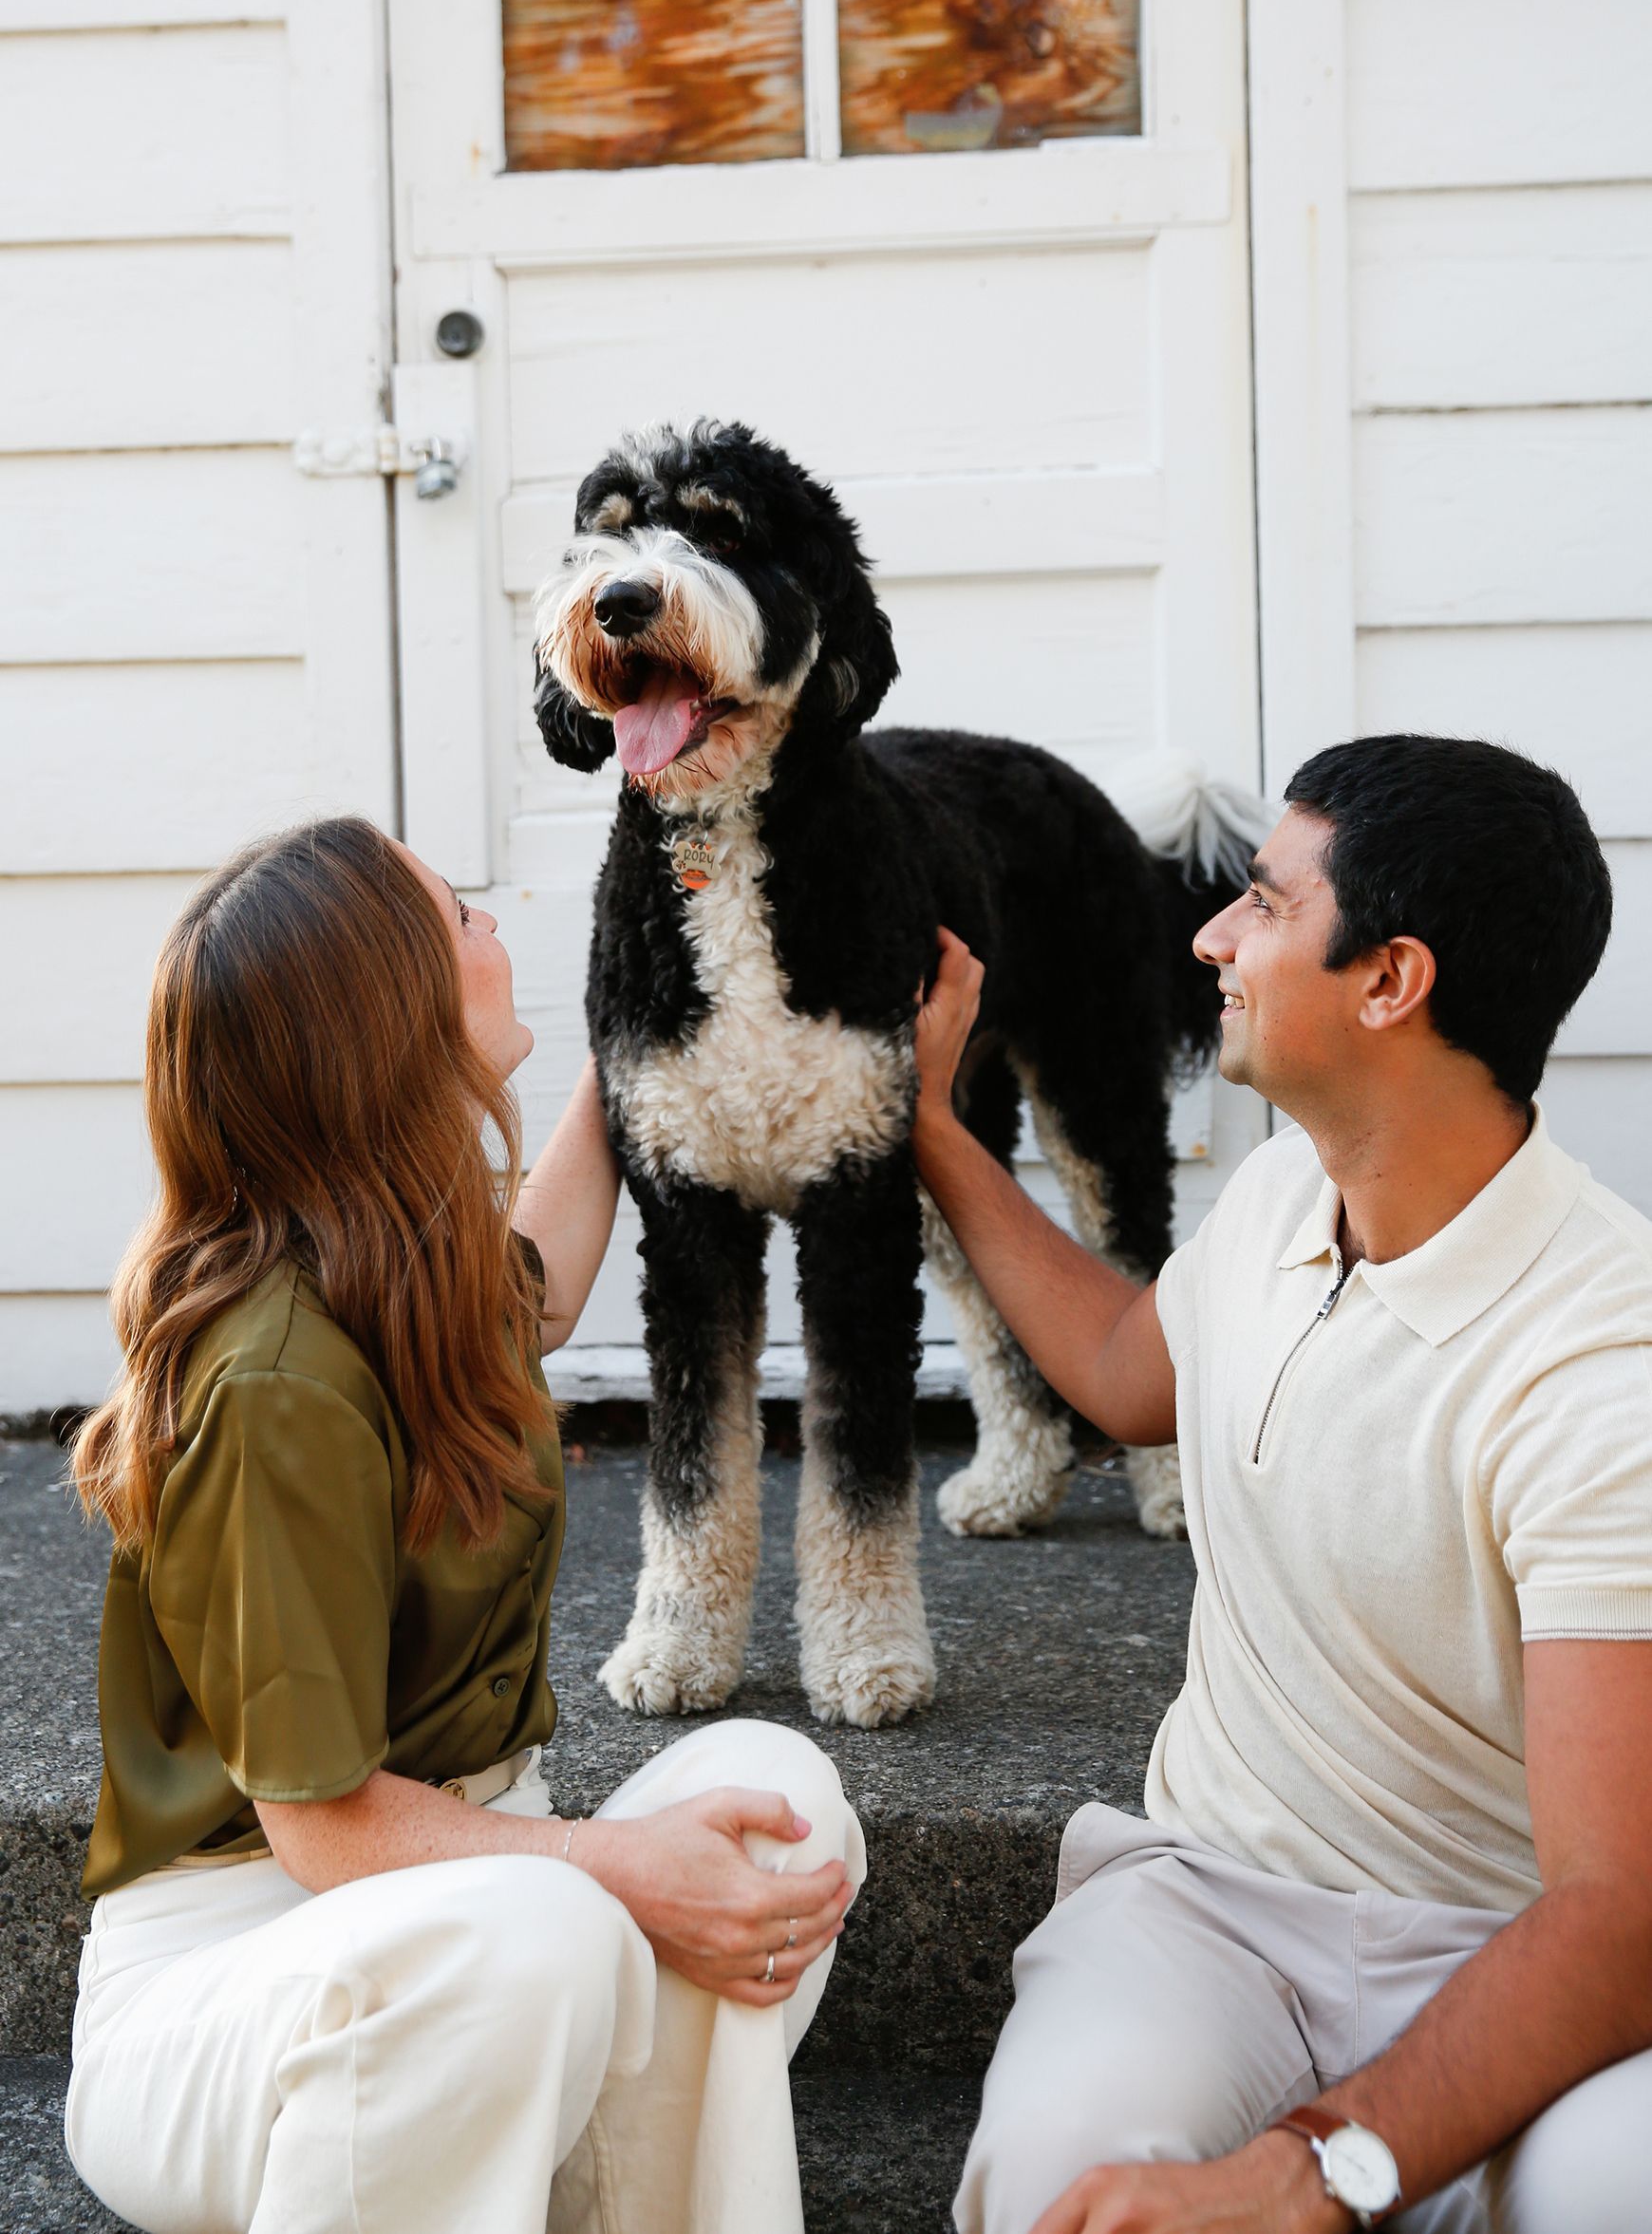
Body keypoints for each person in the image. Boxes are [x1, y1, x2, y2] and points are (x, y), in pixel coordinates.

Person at [65, 815, 863, 2234]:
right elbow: (316, 1830)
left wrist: (629, 1053)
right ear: (387, 1020)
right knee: (544, 1930)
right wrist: (610, 1867)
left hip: (479, 1915)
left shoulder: (399, 1254)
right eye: (455, 917)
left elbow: (536, 1293)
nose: (492, 924)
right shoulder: (273, 1376)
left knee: (778, 1800)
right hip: (246, 1974)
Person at [913, 735, 1652, 2234]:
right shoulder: (1278, 1192)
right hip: (1205, 1914)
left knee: (1603, 2190)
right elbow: (1131, 1372)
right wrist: (933, 1134)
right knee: (1061, 2170)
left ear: (1390, 982)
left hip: (1496, 1947)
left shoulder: (1605, 1371)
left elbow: (1616, 1914)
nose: (1210, 936)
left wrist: (1326, 2165)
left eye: (1261, 902)